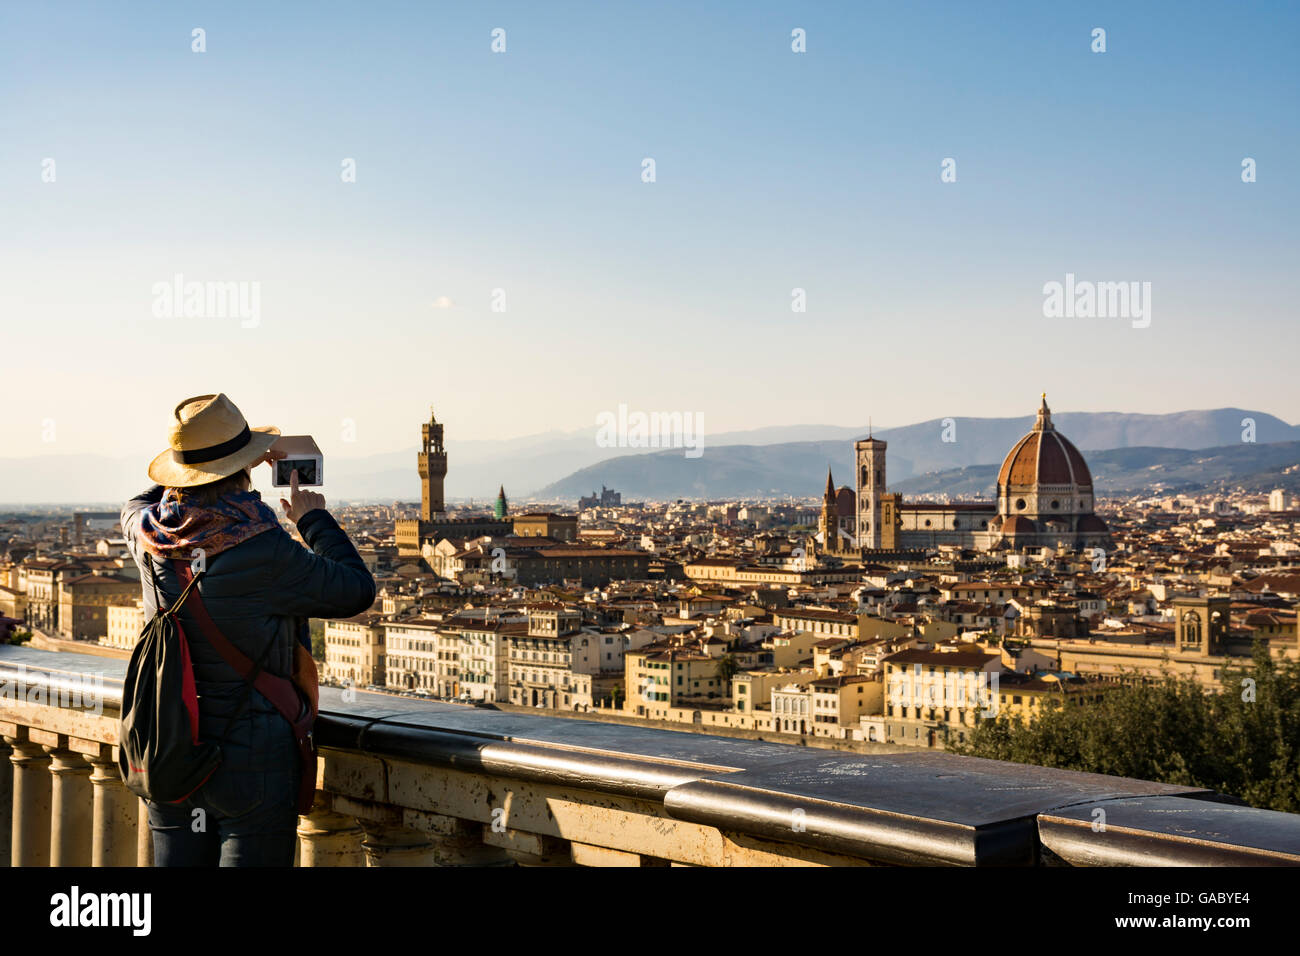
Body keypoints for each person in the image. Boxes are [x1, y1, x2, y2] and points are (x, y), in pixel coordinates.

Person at [121, 393, 375, 866]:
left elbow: (137, 501)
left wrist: (203, 464)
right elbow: (356, 590)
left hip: (170, 752)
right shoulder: (265, 547)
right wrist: (312, 518)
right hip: (253, 760)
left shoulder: (148, 535)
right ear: (246, 468)